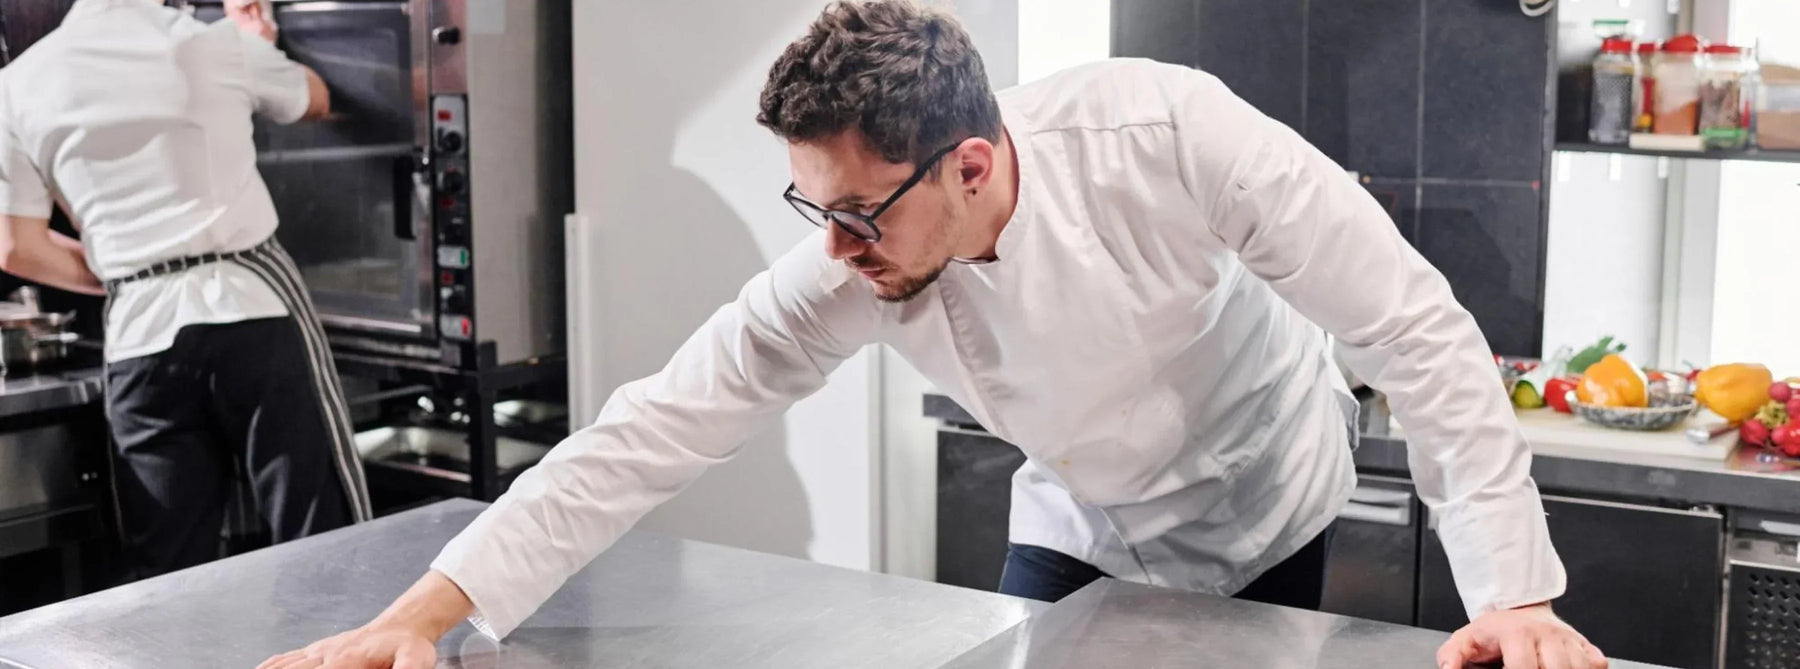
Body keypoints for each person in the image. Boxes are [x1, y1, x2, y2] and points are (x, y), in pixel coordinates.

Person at [262, 2, 1605, 668]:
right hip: (1081, 512)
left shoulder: (1170, 133)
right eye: (812, 207)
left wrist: (1512, 592)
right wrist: (421, 618)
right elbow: (645, 435)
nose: (832, 248)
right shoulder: (850, 260)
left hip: (1269, 495)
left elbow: (1416, 327)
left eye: (856, 213)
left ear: (971, 163)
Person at [0, 0, 372, 579]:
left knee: (167, 570)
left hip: (139, 338)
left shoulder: (18, 83)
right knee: (320, 535)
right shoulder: (214, 42)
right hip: (252, 302)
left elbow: (16, 246)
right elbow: (316, 98)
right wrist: (259, 41)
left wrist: (131, 272)